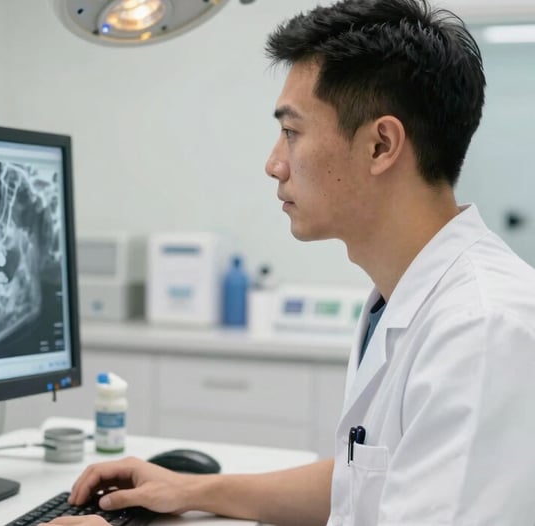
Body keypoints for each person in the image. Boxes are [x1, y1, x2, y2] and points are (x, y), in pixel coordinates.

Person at [49, 0, 535, 524]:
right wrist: (192, 489)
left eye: (292, 132)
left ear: (380, 145)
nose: (273, 164)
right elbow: (363, 479)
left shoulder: (482, 332)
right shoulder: (403, 300)